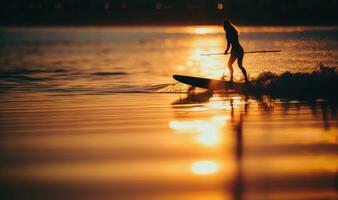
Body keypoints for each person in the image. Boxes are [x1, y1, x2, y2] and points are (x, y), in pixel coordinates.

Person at [223, 19, 249, 83]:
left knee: (230, 64)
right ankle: (246, 80)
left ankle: (232, 79)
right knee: (239, 65)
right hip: (239, 50)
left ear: (226, 26)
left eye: (224, 26)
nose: (224, 27)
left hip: (237, 51)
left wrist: (227, 50)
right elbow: (231, 43)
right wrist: (228, 50)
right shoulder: (233, 31)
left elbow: (230, 43)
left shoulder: (229, 33)